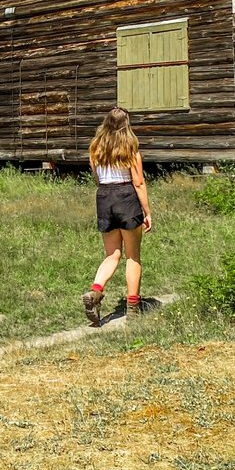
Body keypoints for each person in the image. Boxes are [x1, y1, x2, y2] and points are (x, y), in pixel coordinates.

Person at [83, 106, 152, 325]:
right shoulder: (131, 150)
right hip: (126, 197)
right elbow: (138, 182)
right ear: (126, 125)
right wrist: (147, 212)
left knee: (112, 255)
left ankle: (95, 291)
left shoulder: (95, 149)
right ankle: (133, 307)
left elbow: (96, 177)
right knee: (132, 256)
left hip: (104, 197)